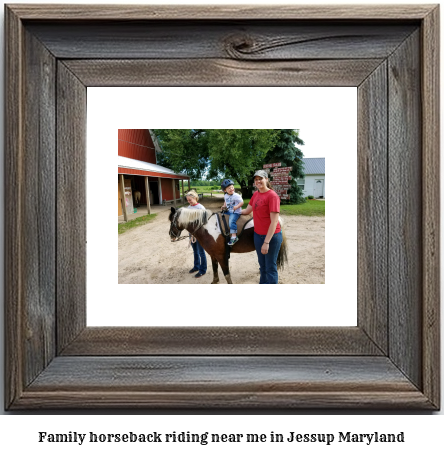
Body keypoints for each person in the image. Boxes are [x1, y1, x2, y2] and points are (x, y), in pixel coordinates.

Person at [240, 170, 282, 284]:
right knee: (262, 266)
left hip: (271, 237)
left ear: (267, 179)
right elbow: (247, 210)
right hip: (258, 235)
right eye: (256, 179)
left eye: (260, 179)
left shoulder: (272, 196)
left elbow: (274, 222)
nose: (258, 181)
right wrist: (234, 211)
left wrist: (266, 242)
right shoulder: (255, 194)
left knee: (270, 267)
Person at [185, 190, 207, 278]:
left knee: (201, 252)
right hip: (192, 233)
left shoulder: (200, 208)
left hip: (199, 234)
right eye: (187, 200)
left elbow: (204, 221)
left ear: (195, 198)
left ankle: (203, 270)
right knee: (195, 251)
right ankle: (196, 266)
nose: (189, 201)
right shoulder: (189, 207)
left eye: (190, 199)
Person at [220, 179, 244, 246]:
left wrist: (237, 206)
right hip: (229, 211)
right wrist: (224, 206)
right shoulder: (226, 196)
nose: (231, 189)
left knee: (231, 221)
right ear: (225, 190)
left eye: (232, 187)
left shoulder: (236, 195)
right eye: (229, 188)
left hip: (236, 212)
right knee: (221, 215)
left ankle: (234, 237)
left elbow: (242, 202)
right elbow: (225, 201)